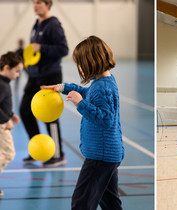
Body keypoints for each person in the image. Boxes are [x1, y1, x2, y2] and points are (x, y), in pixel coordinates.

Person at [41, 36, 124, 210]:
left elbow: (106, 120)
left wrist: (80, 104)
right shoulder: (104, 82)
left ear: (91, 62)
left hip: (99, 156)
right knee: (110, 203)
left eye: (80, 63)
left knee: (81, 203)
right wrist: (63, 87)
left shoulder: (103, 87)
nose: (79, 68)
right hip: (108, 154)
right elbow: (87, 93)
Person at [19, 0, 68, 167]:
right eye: (33, 2)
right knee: (25, 110)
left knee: (50, 117)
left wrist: (43, 48)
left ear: (48, 4)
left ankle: (58, 155)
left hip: (50, 76)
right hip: (34, 76)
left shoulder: (53, 25)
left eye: (39, 2)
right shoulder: (36, 24)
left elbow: (63, 49)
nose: (35, 5)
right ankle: (38, 150)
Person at [0, 52, 23, 195]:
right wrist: (6, 120)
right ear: (7, 67)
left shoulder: (4, 83)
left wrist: (11, 114)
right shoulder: (2, 85)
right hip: (1, 125)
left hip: (3, 121)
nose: (18, 75)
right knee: (9, 154)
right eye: (17, 71)